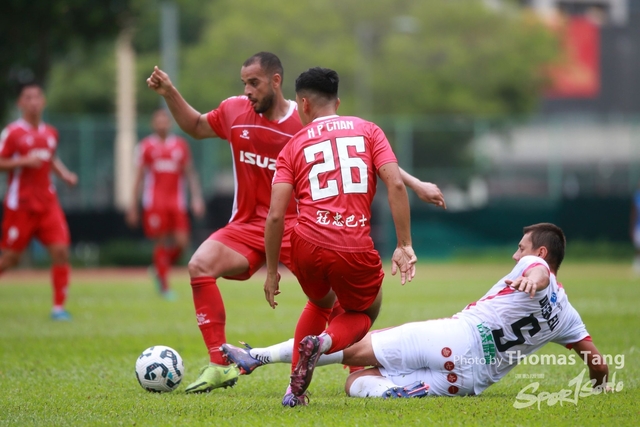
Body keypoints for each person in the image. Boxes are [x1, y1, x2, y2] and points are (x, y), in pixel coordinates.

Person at [146, 52, 445, 394]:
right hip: (247, 225)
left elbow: (356, 152)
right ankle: (220, 364)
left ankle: (352, 367)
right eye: (244, 83)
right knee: (199, 265)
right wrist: (170, 92)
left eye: (254, 83)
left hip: (296, 226)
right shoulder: (234, 111)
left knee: (332, 299)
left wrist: (415, 184)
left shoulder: (303, 125)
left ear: (277, 82)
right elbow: (197, 126)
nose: (247, 91)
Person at [223, 223, 610, 399]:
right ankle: (395, 392)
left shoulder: (534, 267)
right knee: (355, 383)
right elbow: (598, 363)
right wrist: (599, 386)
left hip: (456, 337)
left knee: (353, 348)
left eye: (521, 248)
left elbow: (539, 273)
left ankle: (258, 357)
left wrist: (535, 280)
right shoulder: (568, 316)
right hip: (470, 381)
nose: (515, 255)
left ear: (540, 252)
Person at [261, 66, 416, 407]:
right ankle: (325, 343)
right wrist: (404, 244)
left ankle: (293, 392)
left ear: (303, 104)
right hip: (352, 244)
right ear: (338, 101)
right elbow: (396, 184)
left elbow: (275, 215)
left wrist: (271, 272)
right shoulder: (369, 130)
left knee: (320, 302)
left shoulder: (292, 145)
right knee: (365, 310)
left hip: (305, 243)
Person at [0, 82, 78, 321]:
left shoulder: (50, 133)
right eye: (28, 97)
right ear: (20, 103)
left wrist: (65, 175)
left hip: (48, 204)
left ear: (43, 102)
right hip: (21, 205)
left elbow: (50, 158)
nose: (33, 102)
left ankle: (58, 308)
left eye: (37, 97)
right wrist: (23, 161)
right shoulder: (13, 132)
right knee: (10, 259)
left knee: (61, 251)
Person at [126, 108, 205, 299]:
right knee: (160, 242)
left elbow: (190, 174)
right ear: (153, 124)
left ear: (170, 123)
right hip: (155, 203)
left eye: (164, 120)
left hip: (177, 202)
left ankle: (158, 269)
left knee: (182, 243)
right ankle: (164, 285)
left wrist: (196, 198)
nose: (161, 124)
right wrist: (133, 206)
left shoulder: (180, 146)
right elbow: (139, 178)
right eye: (158, 121)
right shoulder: (146, 146)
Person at [630, 182, 640, 275]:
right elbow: (634, 213)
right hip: (638, 226)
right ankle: (637, 265)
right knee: (638, 247)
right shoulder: (637, 196)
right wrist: (632, 227)